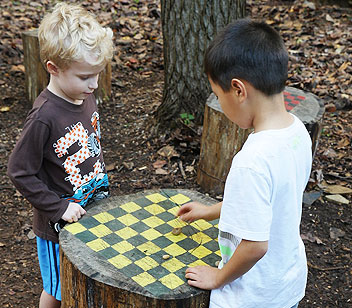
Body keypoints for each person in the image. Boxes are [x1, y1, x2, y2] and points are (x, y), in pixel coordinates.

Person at [177, 19, 312, 308]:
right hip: (285, 284)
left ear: (238, 90)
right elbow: (268, 204)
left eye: (218, 95)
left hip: (251, 296)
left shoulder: (251, 162)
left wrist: (219, 277)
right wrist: (209, 212)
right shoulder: (297, 132)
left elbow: (254, 246)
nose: (219, 104)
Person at [7, 3, 113, 307]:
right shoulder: (44, 117)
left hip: (91, 209)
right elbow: (19, 170)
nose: (93, 85)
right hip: (58, 227)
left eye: (97, 74)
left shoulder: (84, 95)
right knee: (58, 289)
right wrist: (57, 207)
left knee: (86, 280)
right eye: (84, 77)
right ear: (53, 68)